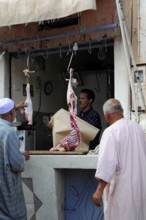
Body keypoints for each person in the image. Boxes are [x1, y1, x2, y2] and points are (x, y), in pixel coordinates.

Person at [92, 98, 146, 220]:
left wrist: (99, 191)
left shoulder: (111, 132)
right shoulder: (138, 128)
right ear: (121, 111)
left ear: (106, 115)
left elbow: (107, 164)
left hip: (122, 190)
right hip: (140, 187)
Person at [0, 97, 30, 220]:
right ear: (12, 113)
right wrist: (24, 157)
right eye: (14, 111)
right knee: (13, 214)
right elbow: (17, 164)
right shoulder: (8, 132)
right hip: (6, 184)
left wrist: (15, 107)